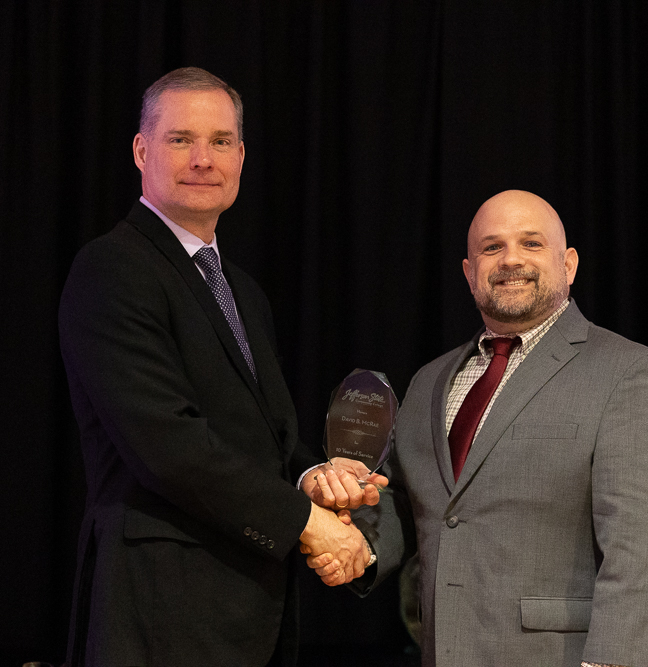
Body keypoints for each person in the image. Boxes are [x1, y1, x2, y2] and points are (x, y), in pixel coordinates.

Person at [58, 67, 381, 667]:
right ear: (142, 151)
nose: (203, 159)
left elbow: (260, 439)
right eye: (181, 139)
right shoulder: (112, 269)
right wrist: (308, 524)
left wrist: (313, 476)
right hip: (158, 614)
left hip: (249, 613)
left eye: (221, 141)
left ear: (241, 156)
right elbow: (167, 445)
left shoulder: (243, 290)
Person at [307, 190, 648, 667]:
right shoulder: (429, 381)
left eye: (531, 243)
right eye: (492, 247)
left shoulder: (629, 371)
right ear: (470, 273)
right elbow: (410, 500)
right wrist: (360, 547)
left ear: (568, 264)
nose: (511, 259)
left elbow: (646, 545)